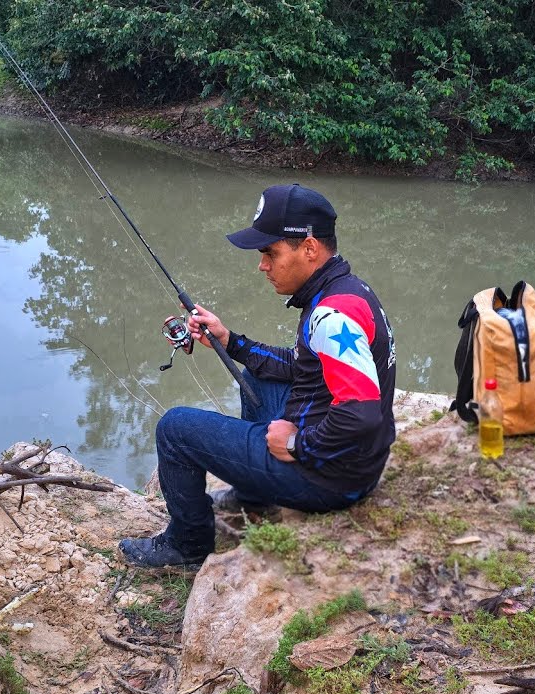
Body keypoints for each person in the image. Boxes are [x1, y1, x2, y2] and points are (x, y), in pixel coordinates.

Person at [118, 183, 397, 569]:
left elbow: (361, 415)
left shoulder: (331, 317)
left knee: (175, 428)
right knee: (259, 379)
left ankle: (187, 545)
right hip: (356, 463)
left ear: (310, 248)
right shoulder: (346, 291)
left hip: (332, 479)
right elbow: (301, 365)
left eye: (271, 253)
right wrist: (229, 341)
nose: (262, 265)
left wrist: (298, 443)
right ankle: (255, 495)